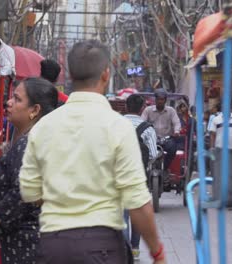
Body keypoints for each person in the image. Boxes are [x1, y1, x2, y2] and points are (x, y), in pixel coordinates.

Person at [19, 40, 165, 264]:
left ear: (70, 75)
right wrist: (157, 253)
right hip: (101, 247)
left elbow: (29, 191)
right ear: (106, 74)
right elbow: (137, 201)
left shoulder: (43, 127)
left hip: (52, 246)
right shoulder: (118, 127)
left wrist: (62, 200)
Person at [0, 78, 58, 264]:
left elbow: (25, 192)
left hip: (14, 247)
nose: (9, 102)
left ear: (34, 110)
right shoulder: (29, 141)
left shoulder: (29, 144)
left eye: (17, 99)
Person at [124, 94, 158, 261]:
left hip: (117, 176)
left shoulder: (114, 124)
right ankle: (135, 248)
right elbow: (152, 154)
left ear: (125, 107)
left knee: (121, 216)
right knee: (136, 213)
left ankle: (124, 250)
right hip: (138, 176)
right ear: (142, 108)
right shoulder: (147, 129)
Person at [141, 88, 181, 171]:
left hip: (166, 139)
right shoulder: (148, 110)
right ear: (155, 100)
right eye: (158, 99)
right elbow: (142, 122)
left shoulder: (171, 111)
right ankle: (145, 170)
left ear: (165, 100)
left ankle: (165, 168)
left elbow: (176, 123)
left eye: (162, 99)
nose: (160, 101)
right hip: (151, 139)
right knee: (142, 150)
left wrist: (177, 131)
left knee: (173, 148)